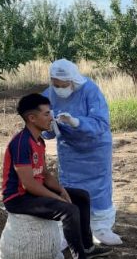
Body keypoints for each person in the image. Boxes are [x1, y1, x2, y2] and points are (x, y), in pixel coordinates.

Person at [2, 94, 111, 259]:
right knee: (68, 210)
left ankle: (87, 247)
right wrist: (57, 200)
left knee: (81, 196)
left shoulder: (39, 141)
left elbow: (44, 175)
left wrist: (61, 190)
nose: (51, 117)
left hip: (32, 191)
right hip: (18, 198)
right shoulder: (20, 143)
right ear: (32, 118)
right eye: (46, 114)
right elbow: (29, 184)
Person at [41, 59, 122, 246]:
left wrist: (76, 122)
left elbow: (101, 123)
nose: (60, 88)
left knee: (98, 189)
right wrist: (50, 124)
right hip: (69, 152)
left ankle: (101, 228)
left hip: (95, 149)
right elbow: (43, 127)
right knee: (71, 188)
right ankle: (71, 229)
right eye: (56, 84)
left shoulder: (90, 91)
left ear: (73, 80)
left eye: (64, 85)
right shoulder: (49, 95)